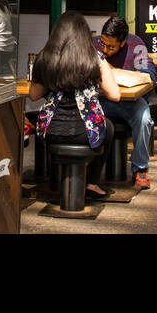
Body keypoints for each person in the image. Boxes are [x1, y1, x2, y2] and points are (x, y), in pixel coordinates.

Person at [29, 12, 121, 200]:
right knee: (109, 127)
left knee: (36, 119)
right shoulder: (94, 59)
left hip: (51, 130)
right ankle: (92, 182)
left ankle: (55, 180)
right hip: (86, 132)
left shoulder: (45, 59)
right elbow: (115, 95)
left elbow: (33, 95)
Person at [94, 15, 157, 189]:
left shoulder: (136, 45)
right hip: (101, 100)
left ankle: (140, 168)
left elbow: (149, 75)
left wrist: (117, 73)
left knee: (144, 120)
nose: (105, 50)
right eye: (103, 44)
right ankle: (90, 170)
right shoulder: (93, 45)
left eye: (111, 46)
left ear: (123, 43)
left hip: (129, 103)